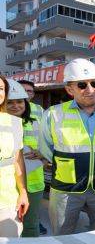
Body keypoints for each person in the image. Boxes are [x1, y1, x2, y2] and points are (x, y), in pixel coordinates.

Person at [40, 59, 95, 235]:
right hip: (66, 189)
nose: (90, 90)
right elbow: (46, 149)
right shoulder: (53, 115)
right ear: (69, 89)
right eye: (82, 85)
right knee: (62, 236)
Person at [5, 79, 46, 237]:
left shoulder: (36, 122)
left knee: (30, 226)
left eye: (20, 102)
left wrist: (43, 154)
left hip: (34, 184)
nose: (16, 106)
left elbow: (51, 146)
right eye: (10, 102)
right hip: (8, 187)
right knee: (9, 228)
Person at [0, 75, 30, 237]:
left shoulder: (14, 122)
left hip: (7, 201)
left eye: (1, 89)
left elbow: (17, 161)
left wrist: (23, 192)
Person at [18, 79, 48, 235]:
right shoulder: (6, 111)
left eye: (30, 91)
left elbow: (48, 137)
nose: (26, 93)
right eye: (23, 90)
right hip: (12, 176)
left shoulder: (39, 110)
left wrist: (43, 155)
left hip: (34, 174)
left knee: (31, 222)